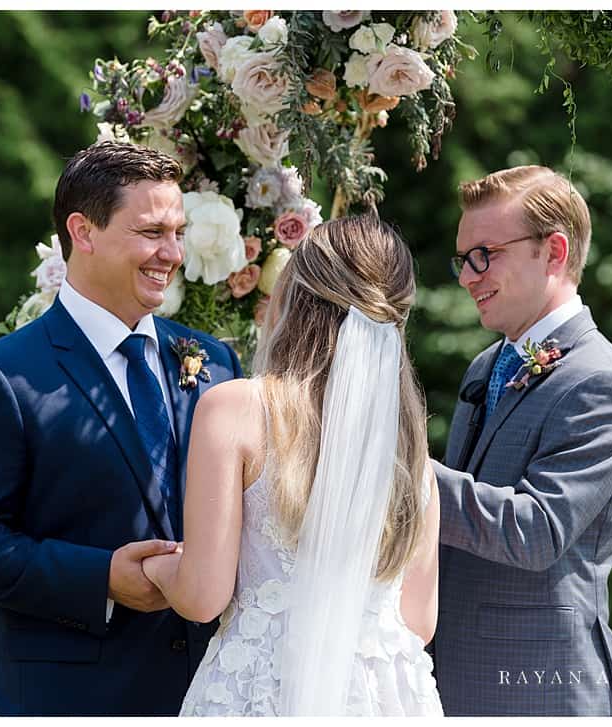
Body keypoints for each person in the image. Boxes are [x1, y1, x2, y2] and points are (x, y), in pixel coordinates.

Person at [0, 142, 243, 716]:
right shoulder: (2, 377)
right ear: (83, 232)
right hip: (70, 699)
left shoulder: (214, 362)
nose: (171, 253)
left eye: (178, 232)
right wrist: (100, 578)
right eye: (150, 232)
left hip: (210, 693)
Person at [140, 215, 443, 716]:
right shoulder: (413, 455)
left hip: (264, 688)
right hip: (385, 696)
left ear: (297, 296)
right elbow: (417, 620)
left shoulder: (236, 409)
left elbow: (202, 596)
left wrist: (158, 563)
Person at [431, 165, 612, 716]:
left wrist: (402, 475)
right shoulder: (487, 365)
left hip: (540, 688)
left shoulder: (603, 381)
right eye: (463, 259)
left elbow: (535, 531)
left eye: (484, 254)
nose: (467, 276)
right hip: (454, 677)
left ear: (553, 252)